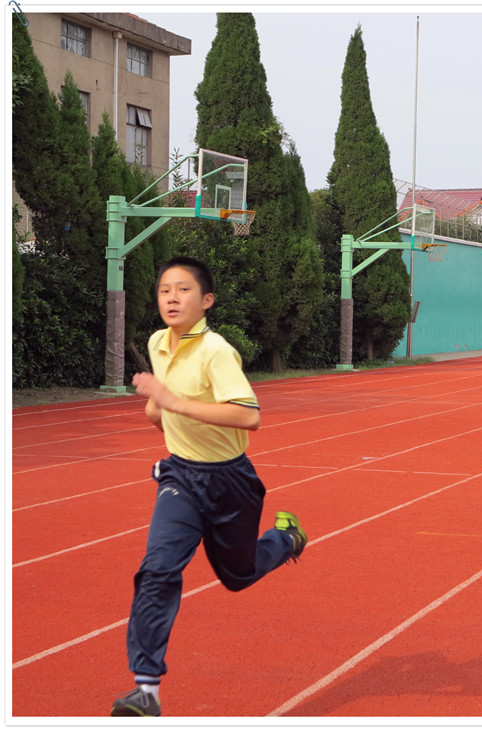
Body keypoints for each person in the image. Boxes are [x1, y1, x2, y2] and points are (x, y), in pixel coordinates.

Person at [111, 257, 308, 717]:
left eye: (183, 290)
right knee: (158, 569)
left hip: (230, 481)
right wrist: (158, 410)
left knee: (238, 576)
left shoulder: (216, 351)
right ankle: (145, 690)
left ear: (207, 301)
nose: (172, 298)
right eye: (165, 290)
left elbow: (249, 416)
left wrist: (172, 401)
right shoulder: (157, 342)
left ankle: (286, 538)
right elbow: (165, 406)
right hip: (181, 476)